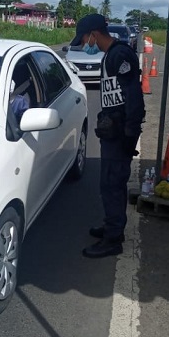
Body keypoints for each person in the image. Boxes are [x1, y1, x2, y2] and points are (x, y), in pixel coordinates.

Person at [69, 14, 145, 259]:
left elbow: (133, 96)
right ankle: (113, 227)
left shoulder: (120, 55)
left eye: (84, 39)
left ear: (94, 34)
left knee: (112, 185)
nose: (84, 44)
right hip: (113, 130)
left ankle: (113, 239)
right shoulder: (110, 55)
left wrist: (130, 133)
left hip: (121, 132)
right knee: (110, 184)